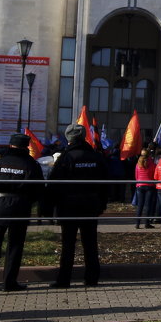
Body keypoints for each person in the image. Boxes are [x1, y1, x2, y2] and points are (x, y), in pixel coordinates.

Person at [48, 123, 109, 288]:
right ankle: (92, 278)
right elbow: (106, 183)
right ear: (83, 138)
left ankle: (64, 279)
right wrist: (101, 205)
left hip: (69, 206)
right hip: (90, 205)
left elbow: (54, 183)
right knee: (90, 243)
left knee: (68, 244)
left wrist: (51, 207)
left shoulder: (65, 158)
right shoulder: (96, 157)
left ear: (69, 139)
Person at [0, 134, 43, 291]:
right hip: (20, 205)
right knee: (15, 245)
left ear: (10, 145)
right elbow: (38, 189)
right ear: (26, 146)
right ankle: (9, 282)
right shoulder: (31, 164)